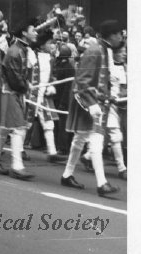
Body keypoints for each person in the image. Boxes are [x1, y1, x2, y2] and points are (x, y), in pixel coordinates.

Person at [60, 19, 124, 197]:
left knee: (80, 139)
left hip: (95, 101)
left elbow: (101, 79)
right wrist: (93, 104)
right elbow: (83, 80)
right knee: (95, 140)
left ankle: (67, 174)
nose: (121, 36)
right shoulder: (95, 50)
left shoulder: (104, 50)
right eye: (119, 33)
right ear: (112, 35)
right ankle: (102, 183)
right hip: (87, 101)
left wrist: (109, 95)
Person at [0, 18, 38, 180]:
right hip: (10, 92)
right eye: (33, 30)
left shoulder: (20, 49)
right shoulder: (16, 51)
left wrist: (25, 85)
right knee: (18, 129)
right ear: (24, 33)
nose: (36, 32)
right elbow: (15, 79)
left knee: (4, 130)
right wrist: (26, 86)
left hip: (10, 92)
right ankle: (17, 166)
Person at [27, 30, 67, 163]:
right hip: (31, 93)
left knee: (49, 124)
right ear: (42, 44)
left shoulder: (50, 59)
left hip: (43, 96)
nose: (52, 45)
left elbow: (50, 76)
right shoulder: (32, 55)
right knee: (25, 124)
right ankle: (18, 149)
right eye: (50, 43)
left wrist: (50, 86)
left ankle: (52, 153)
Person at [52, 45, 75, 154]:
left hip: (63, 100)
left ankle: (63, 147)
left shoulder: (69, 68)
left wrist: (63, 102)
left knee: (63, 124)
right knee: (57, 123)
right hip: (56, 97)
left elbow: (68, 87)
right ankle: (57, 145)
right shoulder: (59, 64)